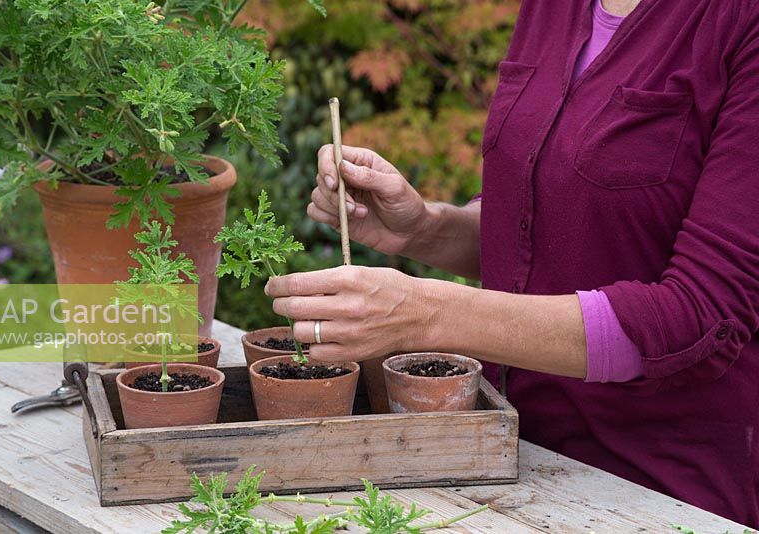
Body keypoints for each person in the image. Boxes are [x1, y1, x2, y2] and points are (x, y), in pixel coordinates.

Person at [264, 0, 759, 525]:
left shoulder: (738, 22)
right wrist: (425, 228)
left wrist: (425, 313)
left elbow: (704, 317)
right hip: (506, 461)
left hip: (654, 491)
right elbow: (552, 237)